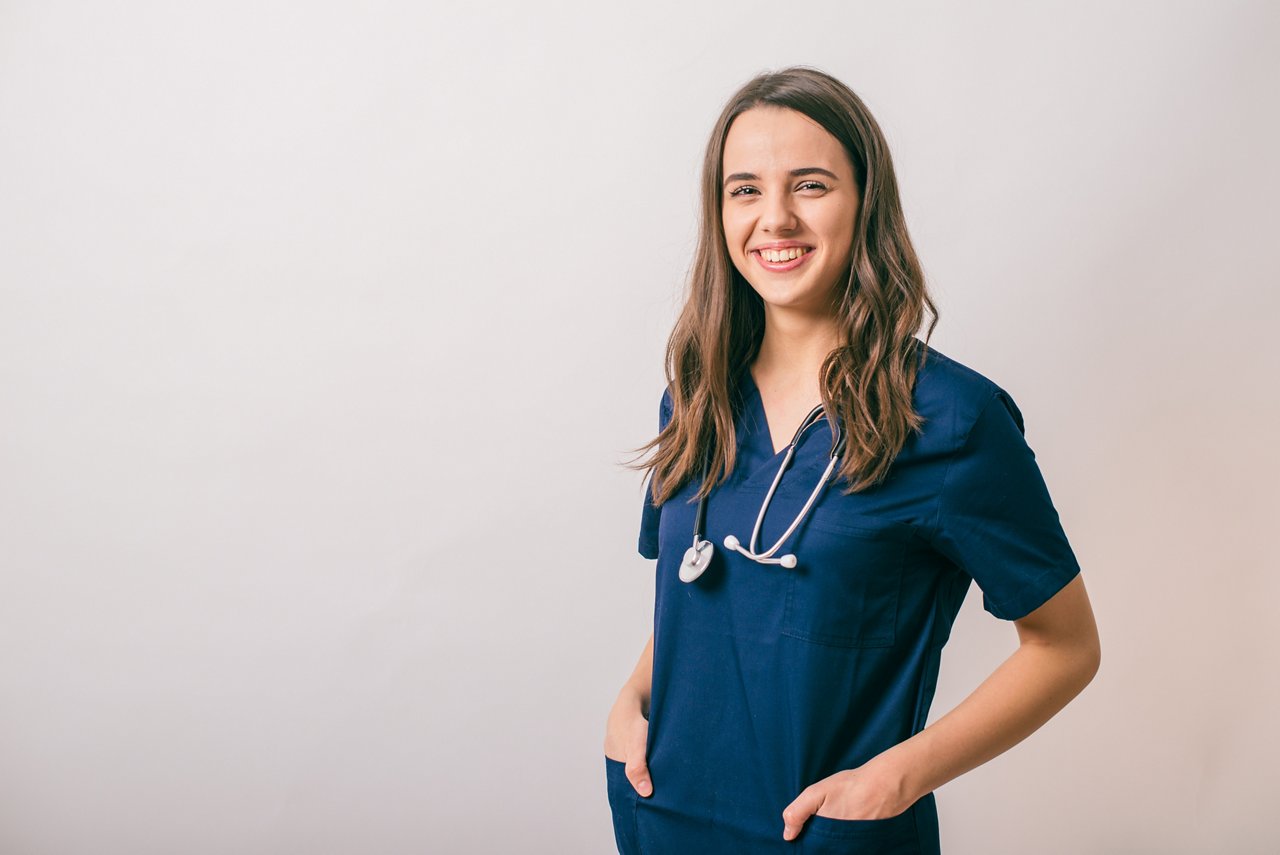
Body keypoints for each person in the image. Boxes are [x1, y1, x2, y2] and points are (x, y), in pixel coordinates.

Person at [602, 66, 1101, 854]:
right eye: (744, 190)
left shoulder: (950, 419)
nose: (775, 218)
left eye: (810, 185)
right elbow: (700, 600)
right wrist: (630, 699)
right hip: (663, 816)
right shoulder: (694, 397)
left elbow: (1067, 645)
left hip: (829, 833)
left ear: (865, 201)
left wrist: (900, 777)